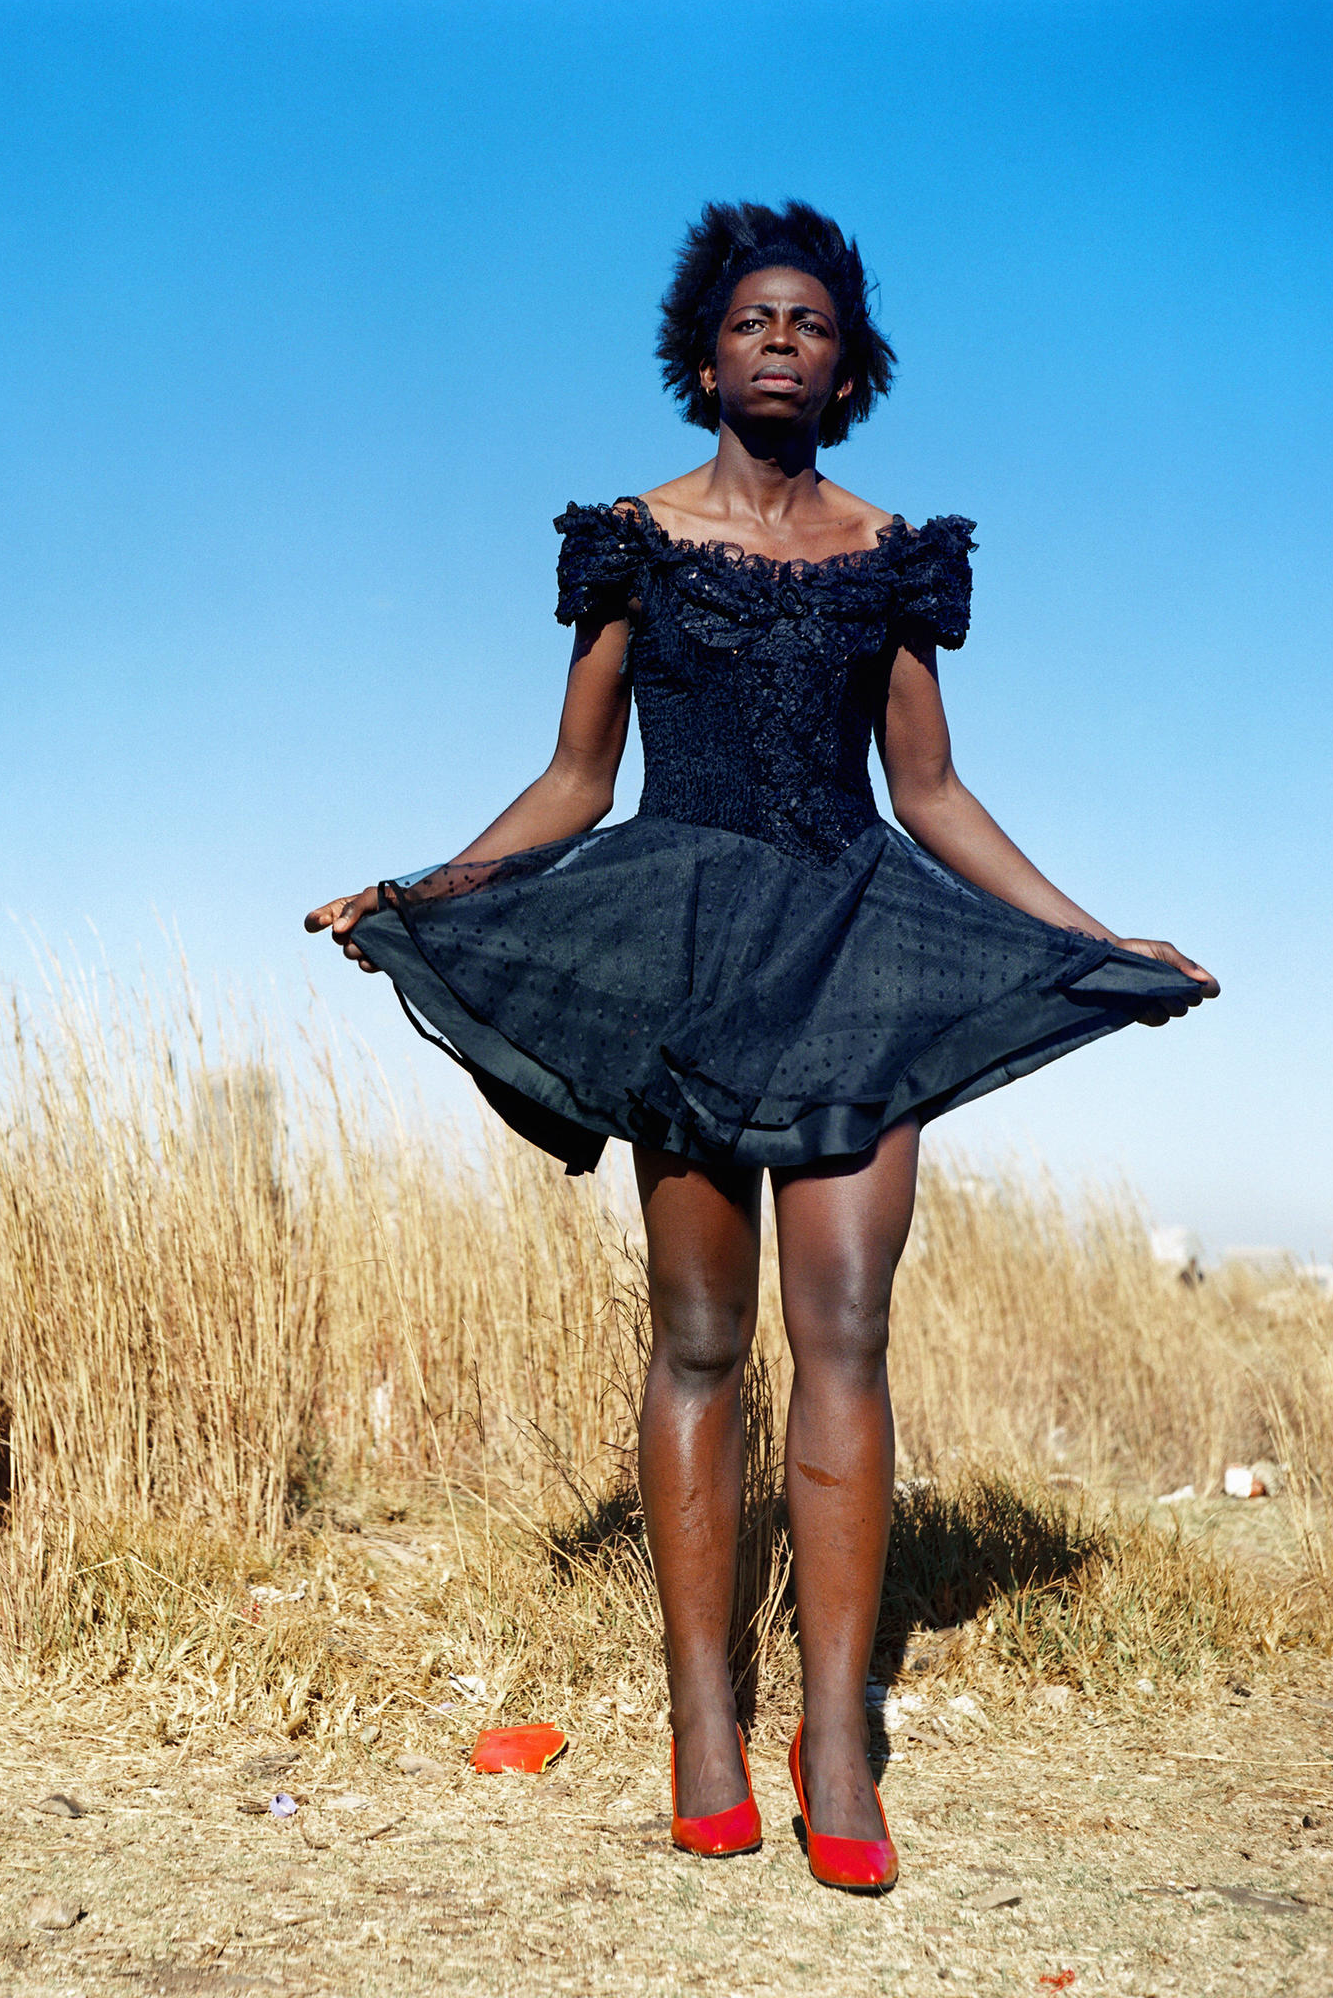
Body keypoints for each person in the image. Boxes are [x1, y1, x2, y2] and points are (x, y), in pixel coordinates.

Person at [305, 199, 1216, 1892]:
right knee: (706, 1335)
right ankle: (703, 1718)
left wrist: (1092, 938)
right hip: (693, 958)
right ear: (704, 358)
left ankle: (841, 1735)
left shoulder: (889, 555)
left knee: (848, 1326)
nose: (780, 339)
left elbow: (929, 793)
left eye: (810, 320)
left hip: (861, 954)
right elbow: (579, 778)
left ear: (848, 360)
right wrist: (428, 889)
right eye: (751, 321)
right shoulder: (633, 545)